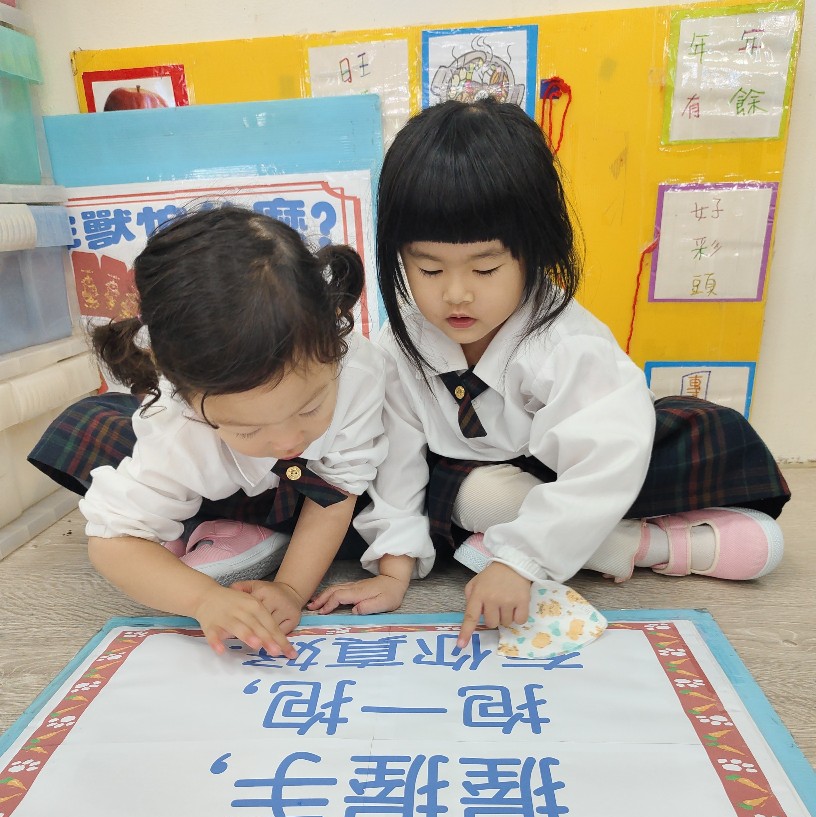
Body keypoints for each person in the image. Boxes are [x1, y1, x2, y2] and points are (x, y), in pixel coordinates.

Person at [308, 98, 790, 647]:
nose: (456, 294)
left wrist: (519, 561)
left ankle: (637, 540)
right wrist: (394, 571)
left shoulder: (565, 343)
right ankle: (642, 546)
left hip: (591, 463)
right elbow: (398, 465)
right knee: (442, 490)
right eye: (429, 268)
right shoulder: (399, 348)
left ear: (534, 251)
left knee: (676, 446)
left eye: (486, 268)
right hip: (477, 479)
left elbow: (605, 461)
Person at [30, 205, 386, 657]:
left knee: (384, 500)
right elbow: (112, 542)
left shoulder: (357, 369)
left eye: (311, 407)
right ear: (184, 393)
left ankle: (245, 530)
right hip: (213, 481)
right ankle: (224, 524)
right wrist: (202, 599)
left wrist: (291, 588)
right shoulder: (178, 427)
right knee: (87, 424)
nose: (288, 441)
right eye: (247, 429)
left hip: (307, 496)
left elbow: (337, 492)